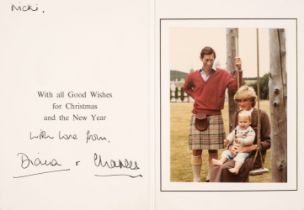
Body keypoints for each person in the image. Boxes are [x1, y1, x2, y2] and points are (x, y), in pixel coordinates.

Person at [182, 46, 242, 182]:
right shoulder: (193, 76)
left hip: (215, 115)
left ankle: (210, 177)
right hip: (198, 115)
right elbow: (185, 87)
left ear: (214, 59)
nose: (209, 62)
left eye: (212, 59)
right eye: (206, 59)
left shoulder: (223, 74)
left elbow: (235, 87)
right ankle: (196, 179)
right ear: (201, 59)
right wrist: (196, 96)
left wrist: (239, 70)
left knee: (213, 150)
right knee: (196, 150)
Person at [210, 85, 271, 182]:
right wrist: (230, 147)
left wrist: (250, 147)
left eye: (244, 100)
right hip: (235, 154)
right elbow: (234, 135)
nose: (241, 104)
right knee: (215, 168)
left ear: (251, 100)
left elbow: (268, 142)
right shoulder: (237, 114)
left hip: (252, 157)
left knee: (223, 169)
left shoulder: (262, 115)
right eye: (239, 101)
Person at [212, 110, 255, 174]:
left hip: (244, 151)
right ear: (238, 122)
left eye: (245, 122)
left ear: (250, 122)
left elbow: (250, 140)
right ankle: (221, 161)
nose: (242, 124)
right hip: (234, 149)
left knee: (240, 157)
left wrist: (242, 141)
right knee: (226, 152)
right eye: (240, 122)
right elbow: (232, 135)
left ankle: (236, 168)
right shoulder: (237, 128)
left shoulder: (250, 131)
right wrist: (228, 140)